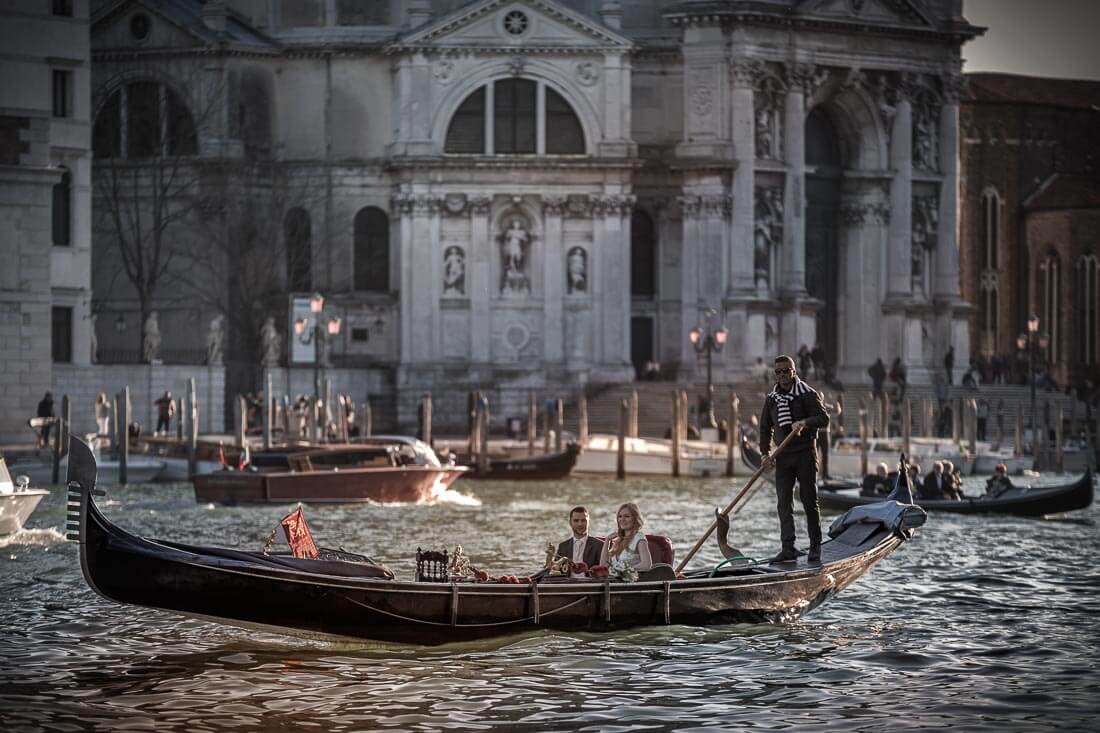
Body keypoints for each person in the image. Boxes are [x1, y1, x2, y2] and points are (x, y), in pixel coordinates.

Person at [759, 355, 830, 562]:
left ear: (793, 371)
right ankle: (788, 548)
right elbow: (765, 428)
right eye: (778, 372)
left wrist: (805, 422)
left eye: (785, 371)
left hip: (805, 453)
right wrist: (765, 453)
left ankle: (815, 546)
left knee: (809, 501)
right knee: (783, 503)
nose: (781, 375)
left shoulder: (807, 394)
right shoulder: (772, 398)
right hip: (783, 456)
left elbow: (824, 418)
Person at [600, 502, 652, 579]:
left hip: (629, 586)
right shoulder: (618, 541)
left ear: (635, 519)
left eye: (627, 516)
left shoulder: (639, 538)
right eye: (620, 516)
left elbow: (646, 565)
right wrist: (607, 540)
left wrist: (623, 570)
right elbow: (603, 566)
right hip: (612, 583)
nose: (622, 519)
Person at [556, 506, 604, 579]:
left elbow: (604, 572)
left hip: (591, 586)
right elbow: (556, 570)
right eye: (576, 520)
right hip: (567, 586)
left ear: (589, 522)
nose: (580, 524)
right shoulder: (563, 546)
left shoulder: (600, 545)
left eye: (583, 520)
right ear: (570, 523)